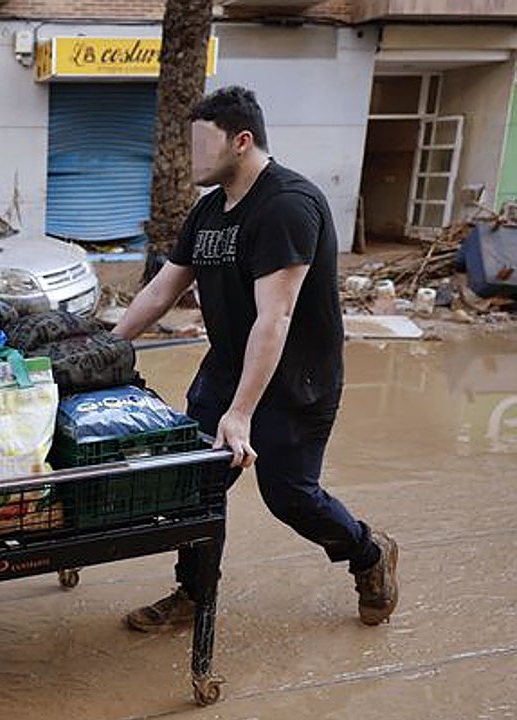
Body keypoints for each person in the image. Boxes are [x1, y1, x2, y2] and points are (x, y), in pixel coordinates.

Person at [113, 86, 399, 631]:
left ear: (242, 142)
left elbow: (276, 318)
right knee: (195, 486)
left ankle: (368, 552)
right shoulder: (209, 210)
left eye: (203, 146)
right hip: (224, 372)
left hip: (295, 382)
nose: (192, 159)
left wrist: (240, 413)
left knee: (290, 497)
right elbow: (159, 292)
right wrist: (108, 345)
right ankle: (194, 593)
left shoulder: (288, 206)